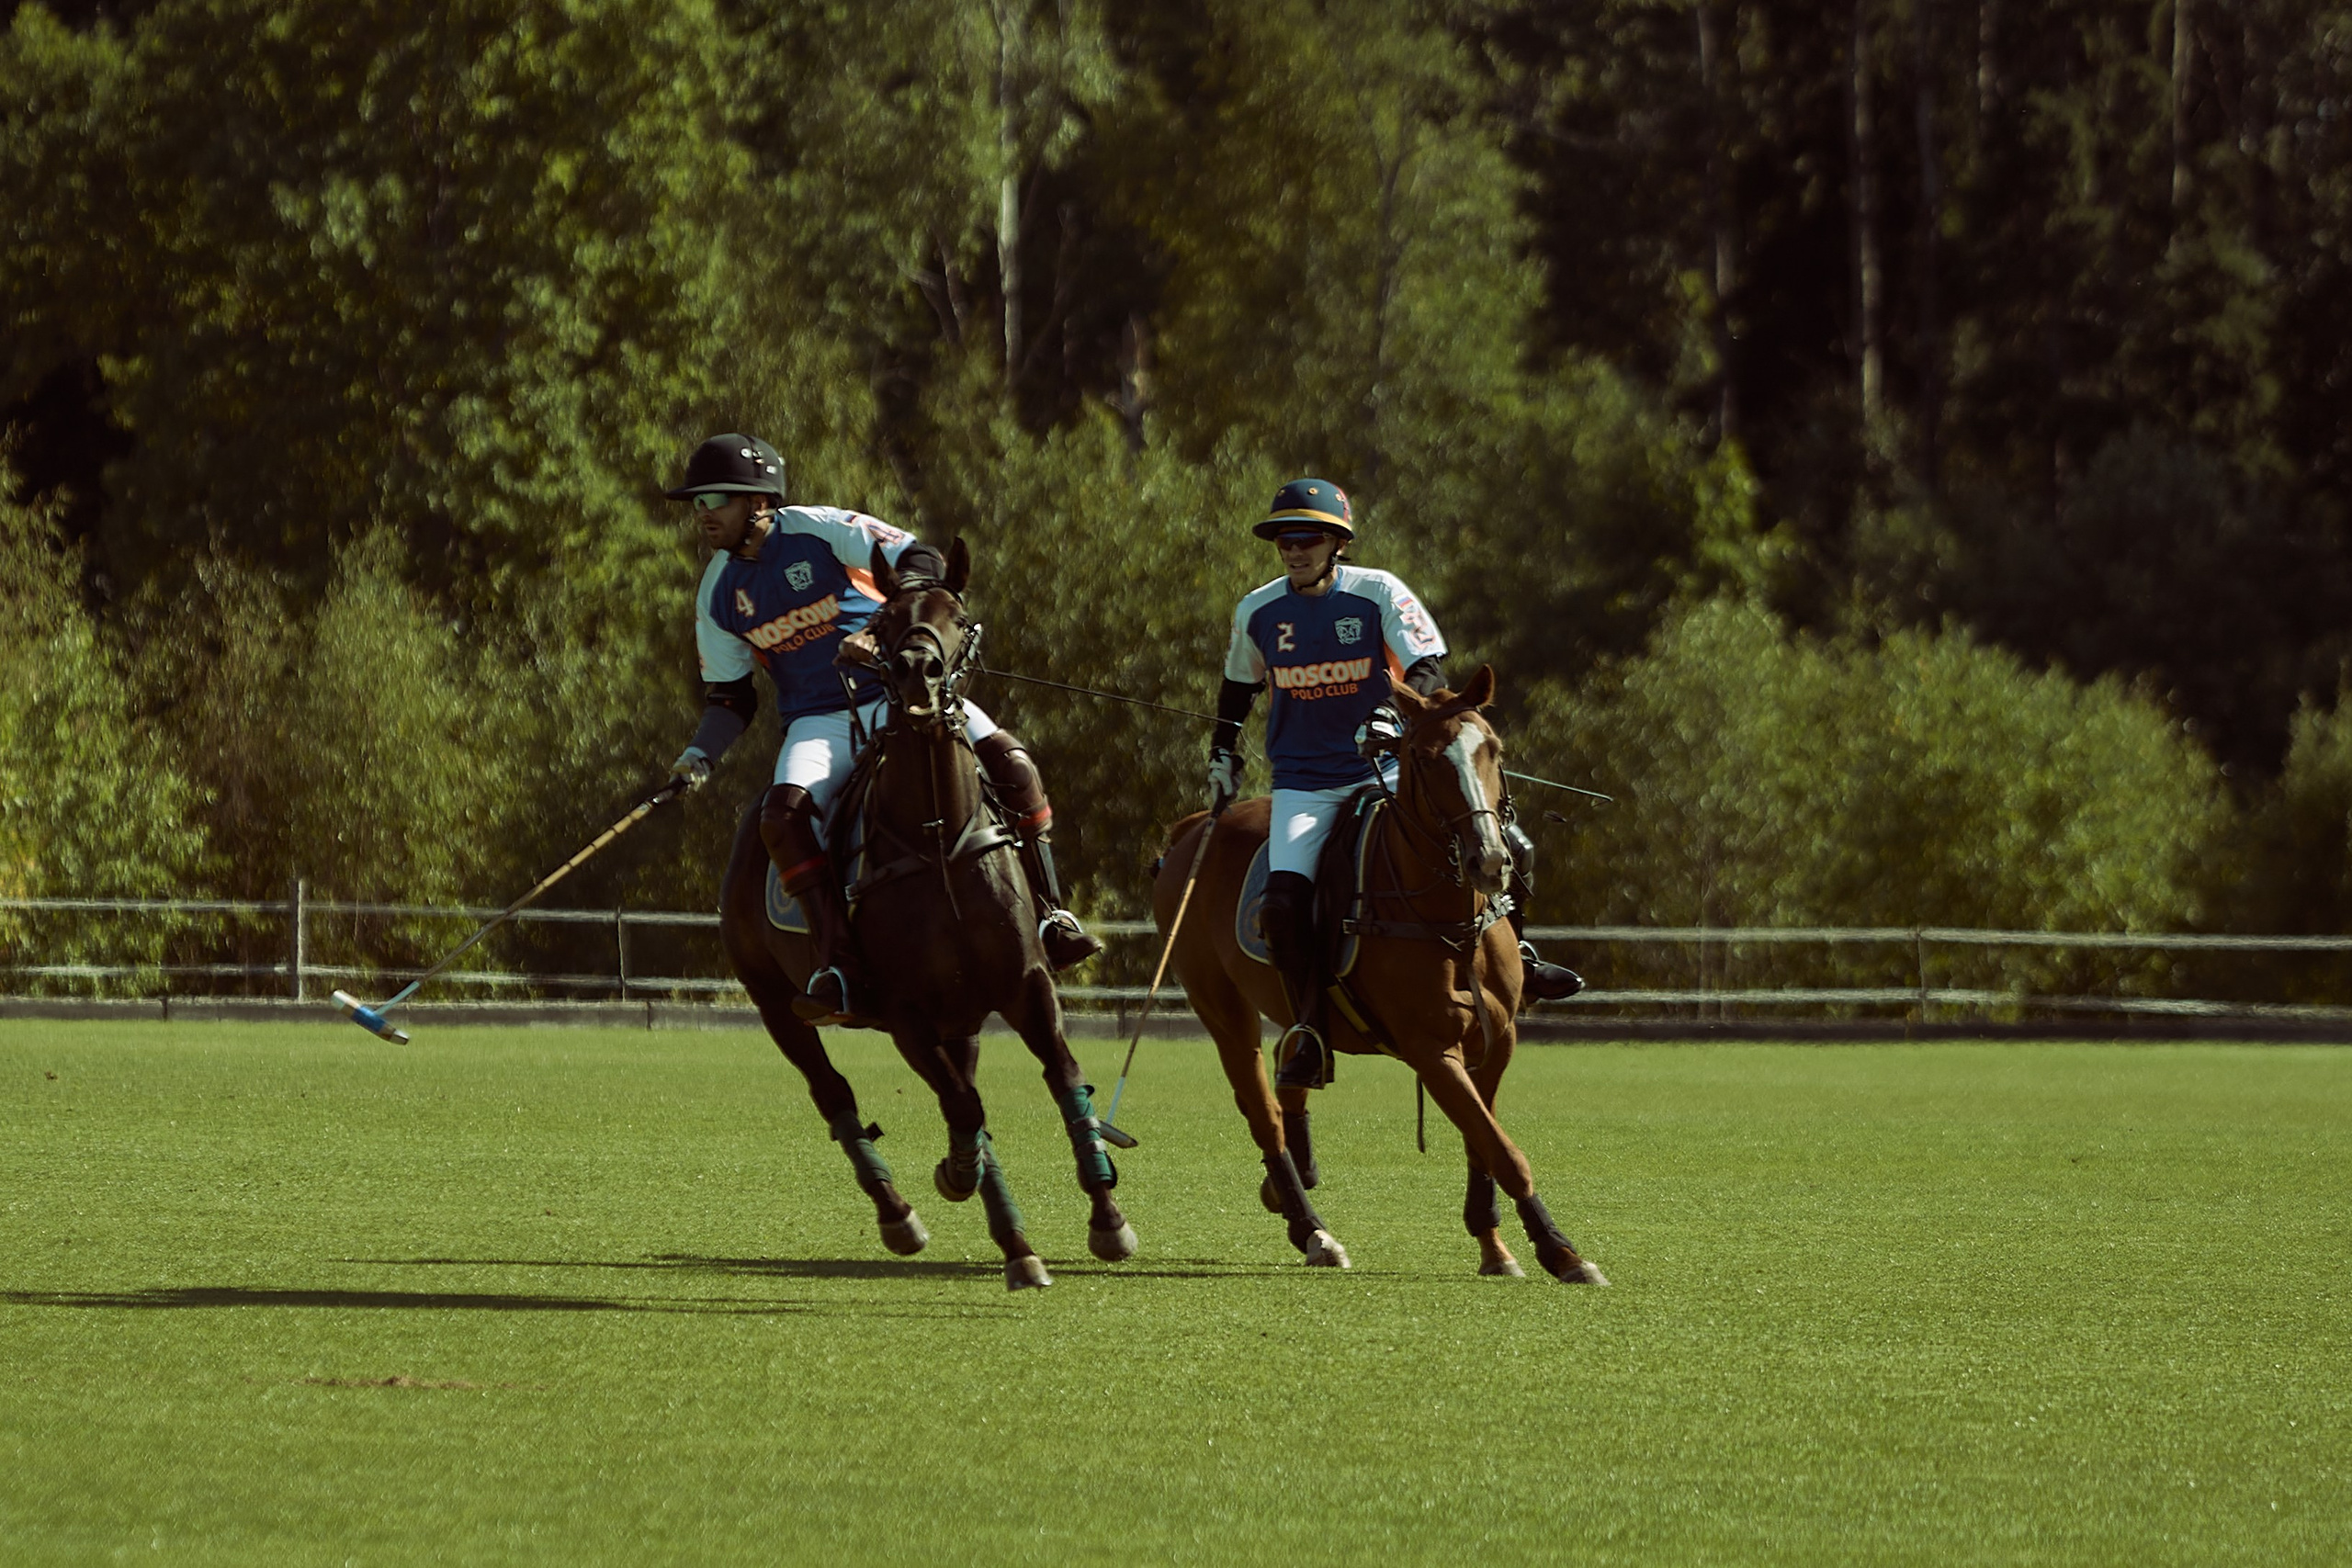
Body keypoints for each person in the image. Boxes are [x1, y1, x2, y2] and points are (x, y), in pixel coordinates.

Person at [661, 434, 1101, 1023]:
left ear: (759, 501)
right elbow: (731, 698)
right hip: (818, 721)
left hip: (903, 693)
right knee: (782, 816)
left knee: (1013, 764)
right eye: (696, 502)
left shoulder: (819, 529)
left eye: (715, 498)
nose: (703, 512)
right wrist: (698, 755)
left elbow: (921, 560)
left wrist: (876, 631)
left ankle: (1050, 914)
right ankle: (836, 964)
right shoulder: (718, 592)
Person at [1209, 479, 1583, 1089]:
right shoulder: (1259, 610)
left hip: (1386, 771)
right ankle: (1309, 1030)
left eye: (1307, 538)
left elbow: (1425, 666)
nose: (1293, 549)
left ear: (1337, 543)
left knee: (1512, 844)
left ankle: (1521, 956)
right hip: (1305, 785)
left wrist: (1393, 712)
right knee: (1282, 903)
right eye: (1284, 539)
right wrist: (1221, 754)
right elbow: (1237, 688)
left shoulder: (1378, 592)